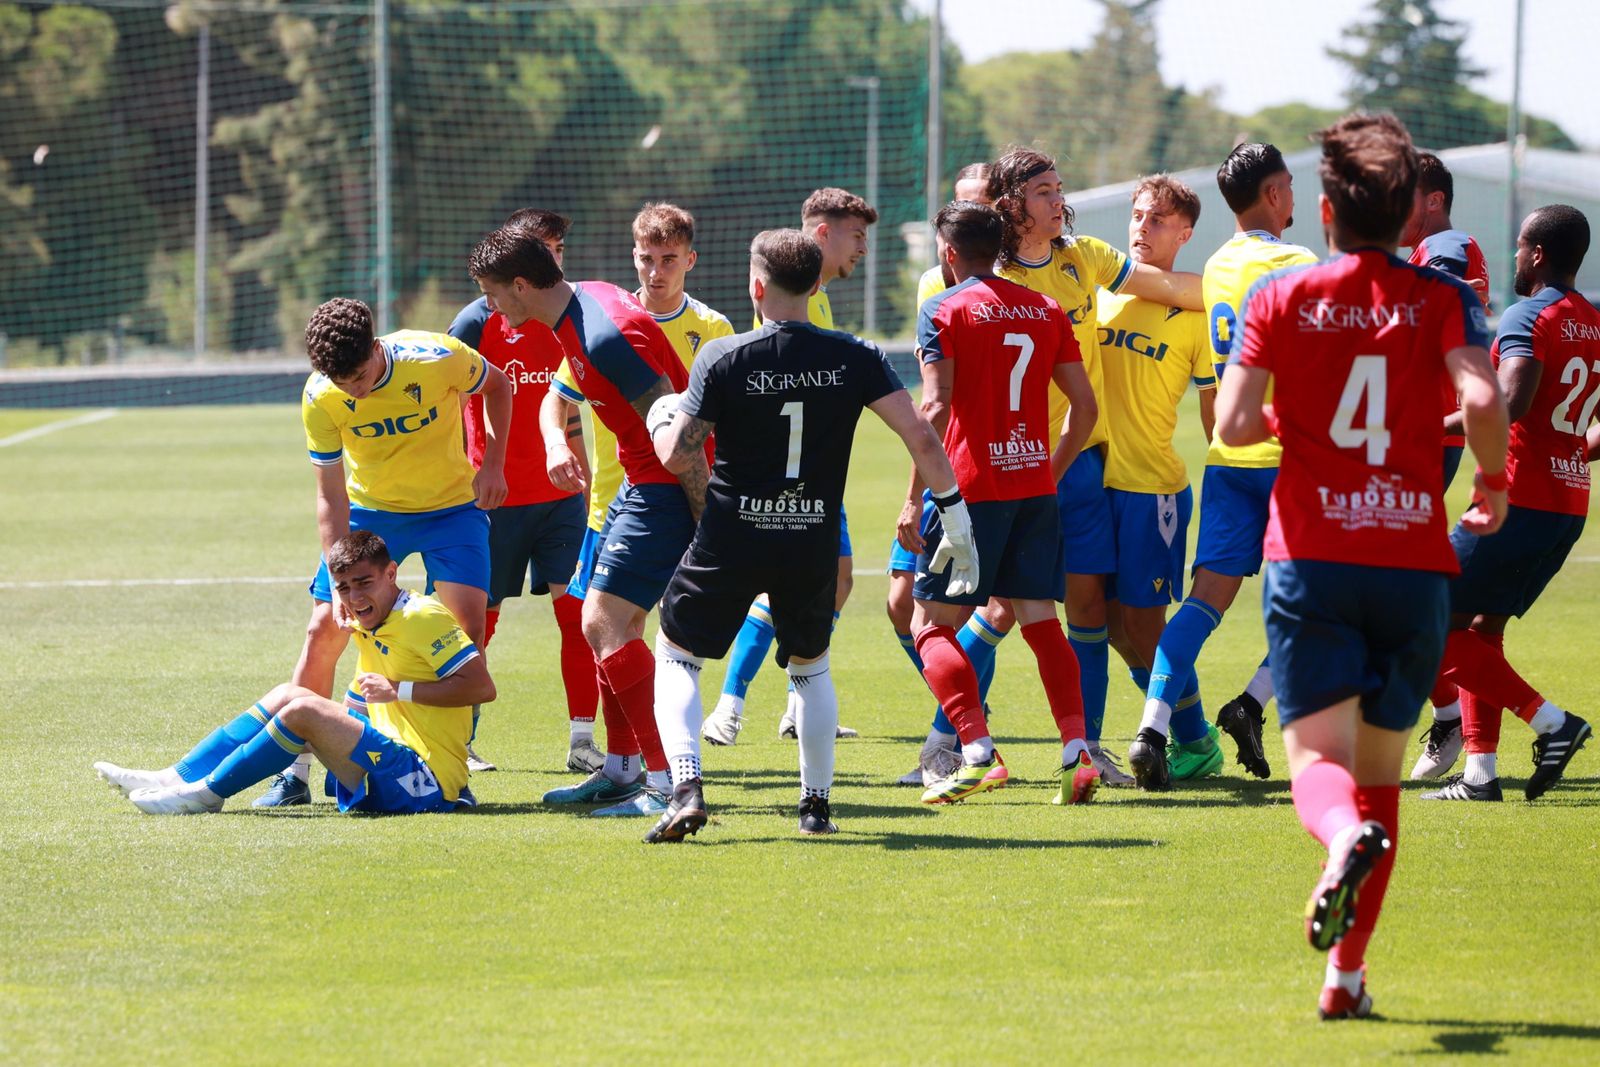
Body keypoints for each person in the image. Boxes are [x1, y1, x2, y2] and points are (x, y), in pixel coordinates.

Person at [1214, 111, 1507, 1020]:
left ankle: (1338, 839)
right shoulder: (1437, 297)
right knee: (1382, 774)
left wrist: (1275, 423)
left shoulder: (1283, 297)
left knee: (1318, 760)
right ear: (1405, 214)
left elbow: (1229, 425)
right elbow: (1485, 392)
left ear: (1329, 216)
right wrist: (1491, 482)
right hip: (1412, 565)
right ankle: (1344, 978)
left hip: (1314, 560)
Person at [644, 228, 976, 840]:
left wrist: (661, 417)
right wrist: (953, 514)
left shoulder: (723, 355)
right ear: (815, 284)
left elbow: (674, 456)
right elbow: (923, 437)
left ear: (756, 285)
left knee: (677, 654)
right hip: (809, 535)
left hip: (731, 533)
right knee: (812, 668)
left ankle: (686, 788)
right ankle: (816, 809)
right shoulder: (858, 355)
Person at [473, 224, 709, 818]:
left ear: (522, 286)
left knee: (605, 623)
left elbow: (681, 436)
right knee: (599, 619)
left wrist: (710, 528)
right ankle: (623, 770)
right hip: (636, 483)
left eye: (495, 294)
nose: (492, 308)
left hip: (663, 488)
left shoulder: (606, 335)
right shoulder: (584, 304)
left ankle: (667, 783)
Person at [987, 147, 1204, 782]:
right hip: (1027, 464)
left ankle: (1103, 747)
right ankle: (953, 741)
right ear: (1012, 206)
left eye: (1060, 188)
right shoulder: (996, 282)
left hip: (1088, 466)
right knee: (1000, 610)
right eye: (1044, 192)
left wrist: (1253, 295)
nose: (1059, 200)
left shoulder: (1086, 258)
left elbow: (1169, 286)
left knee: (1093, 612)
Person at [258, 296, 512, 808]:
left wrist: (492, 464)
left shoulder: (436, 357)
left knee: (466, 633)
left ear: (377, 348)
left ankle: (450, 762)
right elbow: (331, 493)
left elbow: (499, 384)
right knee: (323, 628)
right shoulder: (320, 395)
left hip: (451, 511)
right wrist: (337, 583)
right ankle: (296, 773)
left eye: (358, 374)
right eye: (340, 381)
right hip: (374, 516)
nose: (352, 389)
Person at [1129, 143, 1318, 789]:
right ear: (1273, 194)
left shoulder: (1214, 268)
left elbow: (1218, 390)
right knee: (1318, 608)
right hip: (1292, 459)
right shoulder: (1300, 261)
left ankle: (1151, 728)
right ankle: (1252, 703)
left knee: (1203, 605)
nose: (1294, 196)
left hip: (1229, 460)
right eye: (1290, 185)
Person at [906, 200, 1101, 806]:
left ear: (948, 253)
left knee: (929, 627)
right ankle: (1076, 753)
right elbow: (1085, 411)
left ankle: (976, 752)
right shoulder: (1045, 308)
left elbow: (934, 408)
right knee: (1041, 619)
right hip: (1032, 490)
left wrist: (915, 498)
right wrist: (1046, 469)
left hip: (969, 493)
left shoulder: (943, 309)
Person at [95, 531, 495, 815]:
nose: (354, 598)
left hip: (427, 783)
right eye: (342, 588)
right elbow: (357, 701)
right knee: (290, 694)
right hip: (390, 760)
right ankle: (174, 777)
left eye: (364, 583)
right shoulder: (367, 621)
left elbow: (481, 687)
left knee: (302, 712)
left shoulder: (422, 617)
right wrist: (336, 730)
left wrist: (398, 690)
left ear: (391, 573)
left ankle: (206, 793)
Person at [1421, 204, 1595, 802]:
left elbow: (1511, 402)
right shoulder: (1594, 321)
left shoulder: (1529, 313)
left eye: (1520, 247)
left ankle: (1552, 723)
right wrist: (1570, 453)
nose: (1515, 257)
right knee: (1480, 628)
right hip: (1567, 505)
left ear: (1538, 254)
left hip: (1513, 501)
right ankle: (1480, 774)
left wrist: (1427, 427)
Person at [702, 187, 878, 745]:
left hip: (815, 470)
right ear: (821, 233)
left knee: (839, 581)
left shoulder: (814, 293)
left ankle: (796, 704)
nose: (863, 250)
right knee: (783, 585)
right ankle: (728, 706)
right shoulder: (787, 288)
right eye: (856, 236)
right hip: (786, 474)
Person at [450, 209, 599, 776]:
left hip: (561, 499)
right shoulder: (478, 318)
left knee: (579, 616)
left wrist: (580, 464)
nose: (554, 258)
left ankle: (583, 741)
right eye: (544, 247)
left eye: (559, 247)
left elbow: (572, 399)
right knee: (476, 623)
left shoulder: (571, 315)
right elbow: (446, 396)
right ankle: (459, 738)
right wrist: (477, 467)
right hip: (490, 501)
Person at [886, 163, 1018, 789]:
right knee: (908, 606)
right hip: (991, 473)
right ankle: (1059, 740)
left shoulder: (976, 300)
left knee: (945, 617)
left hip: (963, 480)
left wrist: (915, 496)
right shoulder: (937, 293)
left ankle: (961, 740)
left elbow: (932, 405)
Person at [1094, 175, 1215, 787]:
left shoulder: (1197, 309)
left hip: (1152, 487)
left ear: (1185, 233)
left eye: (1159, 220)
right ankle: (1190, 733)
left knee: (1144, 624)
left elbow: (1213, 408)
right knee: (1112, 627)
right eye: (1138, 216)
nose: (1142, 227)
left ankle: (1187, 737)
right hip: (1093, 483)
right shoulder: (1099, 292)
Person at [1400, 153, 1494, 780]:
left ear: (1432, 198)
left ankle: (1455, 717)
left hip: (1429, 436)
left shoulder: (1449, 246)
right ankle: (1448, 714)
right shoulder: (1428, 248)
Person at [631, 201, 735, 365]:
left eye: (668, 260)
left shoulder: (715, 329)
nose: (655, 273)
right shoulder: (614, 323)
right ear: (635, 257)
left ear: (690, 260)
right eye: (647, 259)